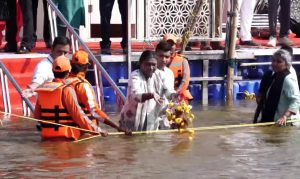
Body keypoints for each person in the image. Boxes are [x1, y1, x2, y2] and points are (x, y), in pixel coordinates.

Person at [34, 56, 107, 140]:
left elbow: (37, 115)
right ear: (68, 72)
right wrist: (96, 130)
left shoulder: (42, 90)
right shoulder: (66, 90)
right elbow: (78, 115)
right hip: (66, 138)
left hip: (46, 137)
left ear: (53, 71)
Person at [67, 50, 130, 134]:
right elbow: (95, 111)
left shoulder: (64, 82)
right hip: (84, 132)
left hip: (69, 131)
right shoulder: (83, 86)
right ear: (86, 67)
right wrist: (117, 126)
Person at [119, 50, 174, 131]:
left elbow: (168, 90)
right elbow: (135, 95)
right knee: (130, 142)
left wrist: (175, 95)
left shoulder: (160, 75)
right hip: (131, 120)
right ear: (141, 64)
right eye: (148, 64)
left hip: (151, 120)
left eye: (154, 65)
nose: (151, 68)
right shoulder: (135, 75)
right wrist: (151, 95)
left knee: (150, 141)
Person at [256, 49, 300, 124]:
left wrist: (285, 116)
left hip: (287, 123)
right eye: (273, 61)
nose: (275, 64)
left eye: (279, 62)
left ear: (287, 64)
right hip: (274, 122)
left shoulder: (288, 79)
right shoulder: (273, 77)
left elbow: (296, 100)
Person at [163, 34, 193, 102]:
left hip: (180, 96)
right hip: (164, 97)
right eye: (167, 44)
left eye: (172, 44)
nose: (170, 47)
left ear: (175, 46)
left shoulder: (183, 60)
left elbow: (185, 80)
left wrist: (176, 93)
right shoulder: (158, 60)